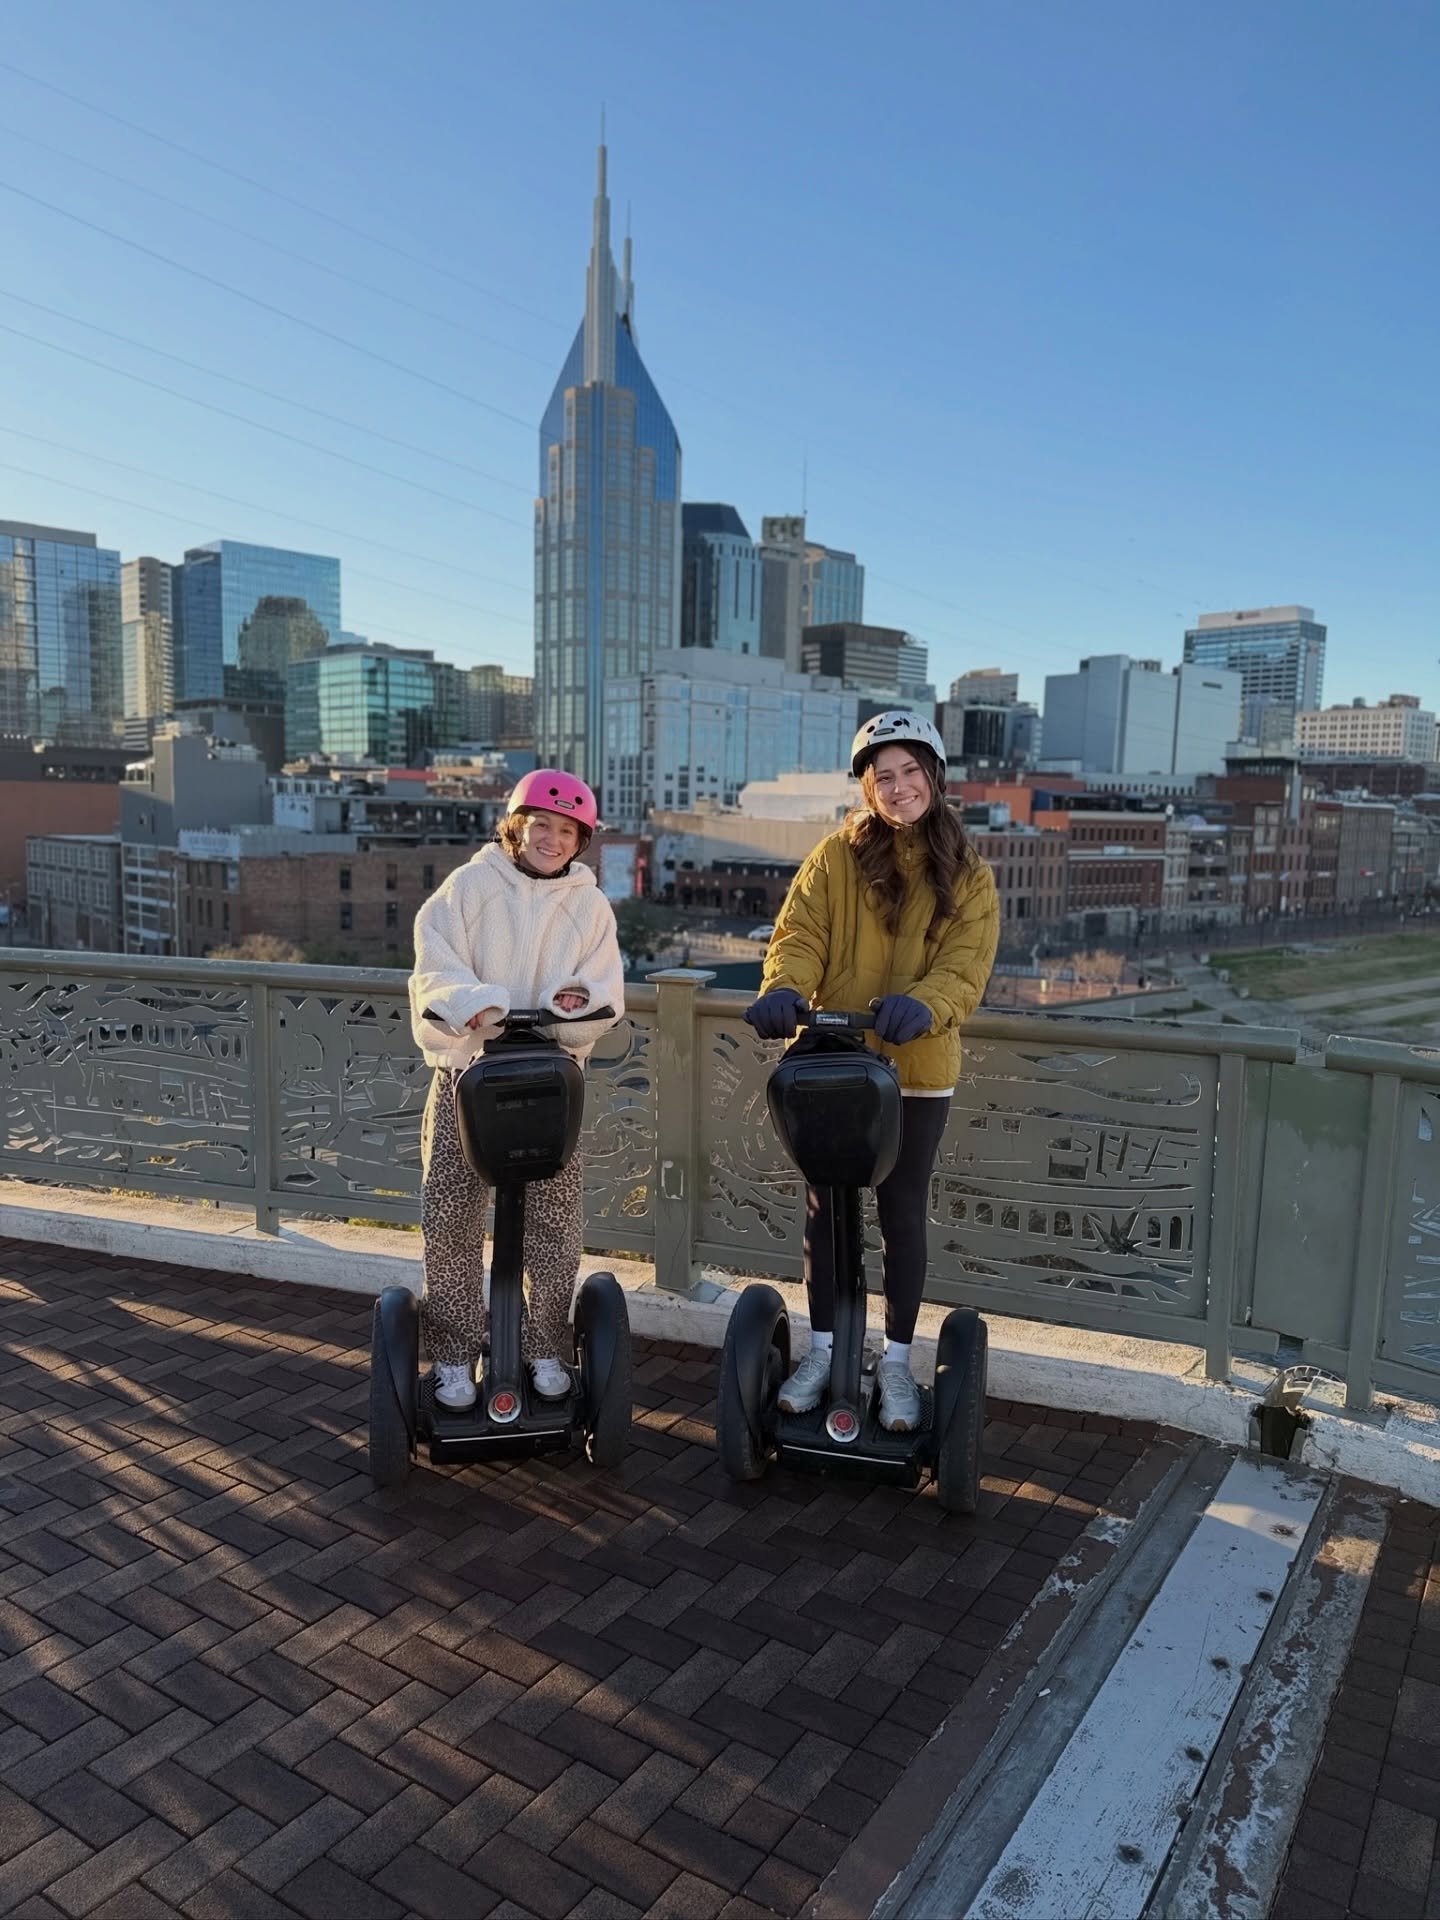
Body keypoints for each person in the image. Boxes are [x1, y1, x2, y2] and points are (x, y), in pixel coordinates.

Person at [743, 711, 1000, 1432]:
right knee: (825, 1210)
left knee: (901, 1211)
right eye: (883, 776)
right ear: (867, 787)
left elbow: (965, 965)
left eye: (910, 771)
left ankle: (895, 1360)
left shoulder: (970, 873)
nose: (898, 787)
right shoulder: (836, 856)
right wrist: (783, 989)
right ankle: (826, 1350)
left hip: (916, 1068)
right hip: (835, 1063)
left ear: (934, 776)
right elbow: (800, 935)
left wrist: (928, 1004)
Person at [408, 770, 624, 1410]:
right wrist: (472, 1003)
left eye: (567, 832)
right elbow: (434, 965)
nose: (552, 839)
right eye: (541, 825)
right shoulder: (470, 886)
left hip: (550, 1087)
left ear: (580, 841)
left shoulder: (589, 905)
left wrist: (575, 1002)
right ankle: (454, 1355)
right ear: (515, 825)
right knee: (450, 1217)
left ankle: (545, 1346)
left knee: (554, 1225)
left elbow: (604, 988)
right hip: (467, 1080)